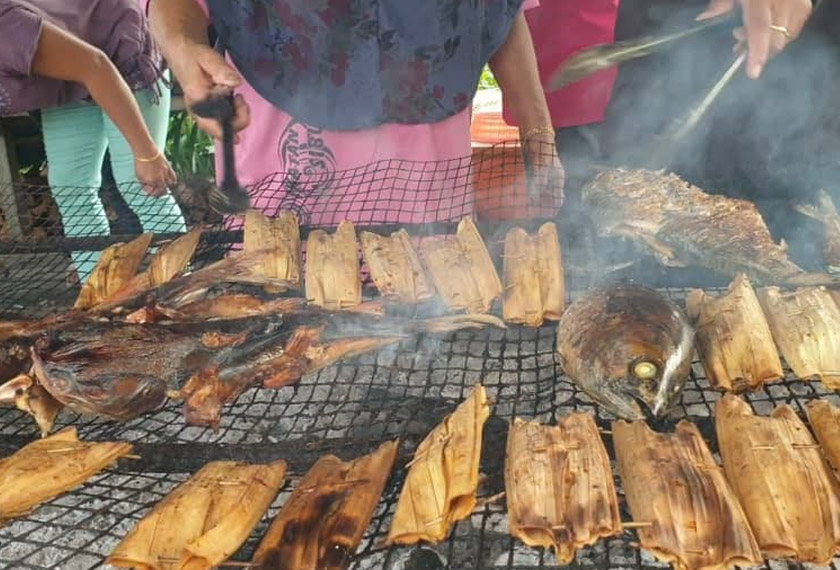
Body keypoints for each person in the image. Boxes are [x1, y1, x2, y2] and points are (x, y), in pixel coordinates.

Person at [148, 0, 564, 226]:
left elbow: (499, 13)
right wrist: (184, 51)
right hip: (283, 176)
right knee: (280, 347)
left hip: (427, 183)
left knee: (432, 339)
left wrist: (539, 135)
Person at [0, 0, 187, 280]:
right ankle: (96, 292)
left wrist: (146, 153)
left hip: (119, 53)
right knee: (69, 185)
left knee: (139, 185)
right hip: (69, 77)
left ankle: (182, 287)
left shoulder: (8, 30)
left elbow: (96, 66)